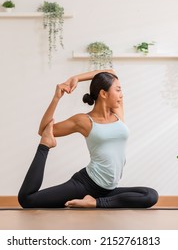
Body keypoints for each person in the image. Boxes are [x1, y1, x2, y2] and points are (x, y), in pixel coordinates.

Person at [18, 69, 158, 208]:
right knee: (27, 200)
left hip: (108, 189)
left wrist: (76, 78)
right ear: (103, 93)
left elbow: (110, 71)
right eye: (118, 90)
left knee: (150, 195)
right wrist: (56, 98)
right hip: (86, 185)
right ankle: (44, 147)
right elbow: (44, 130)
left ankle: (95, 202)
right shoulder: (84, 120)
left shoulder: (117, 112)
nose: (121, 95)